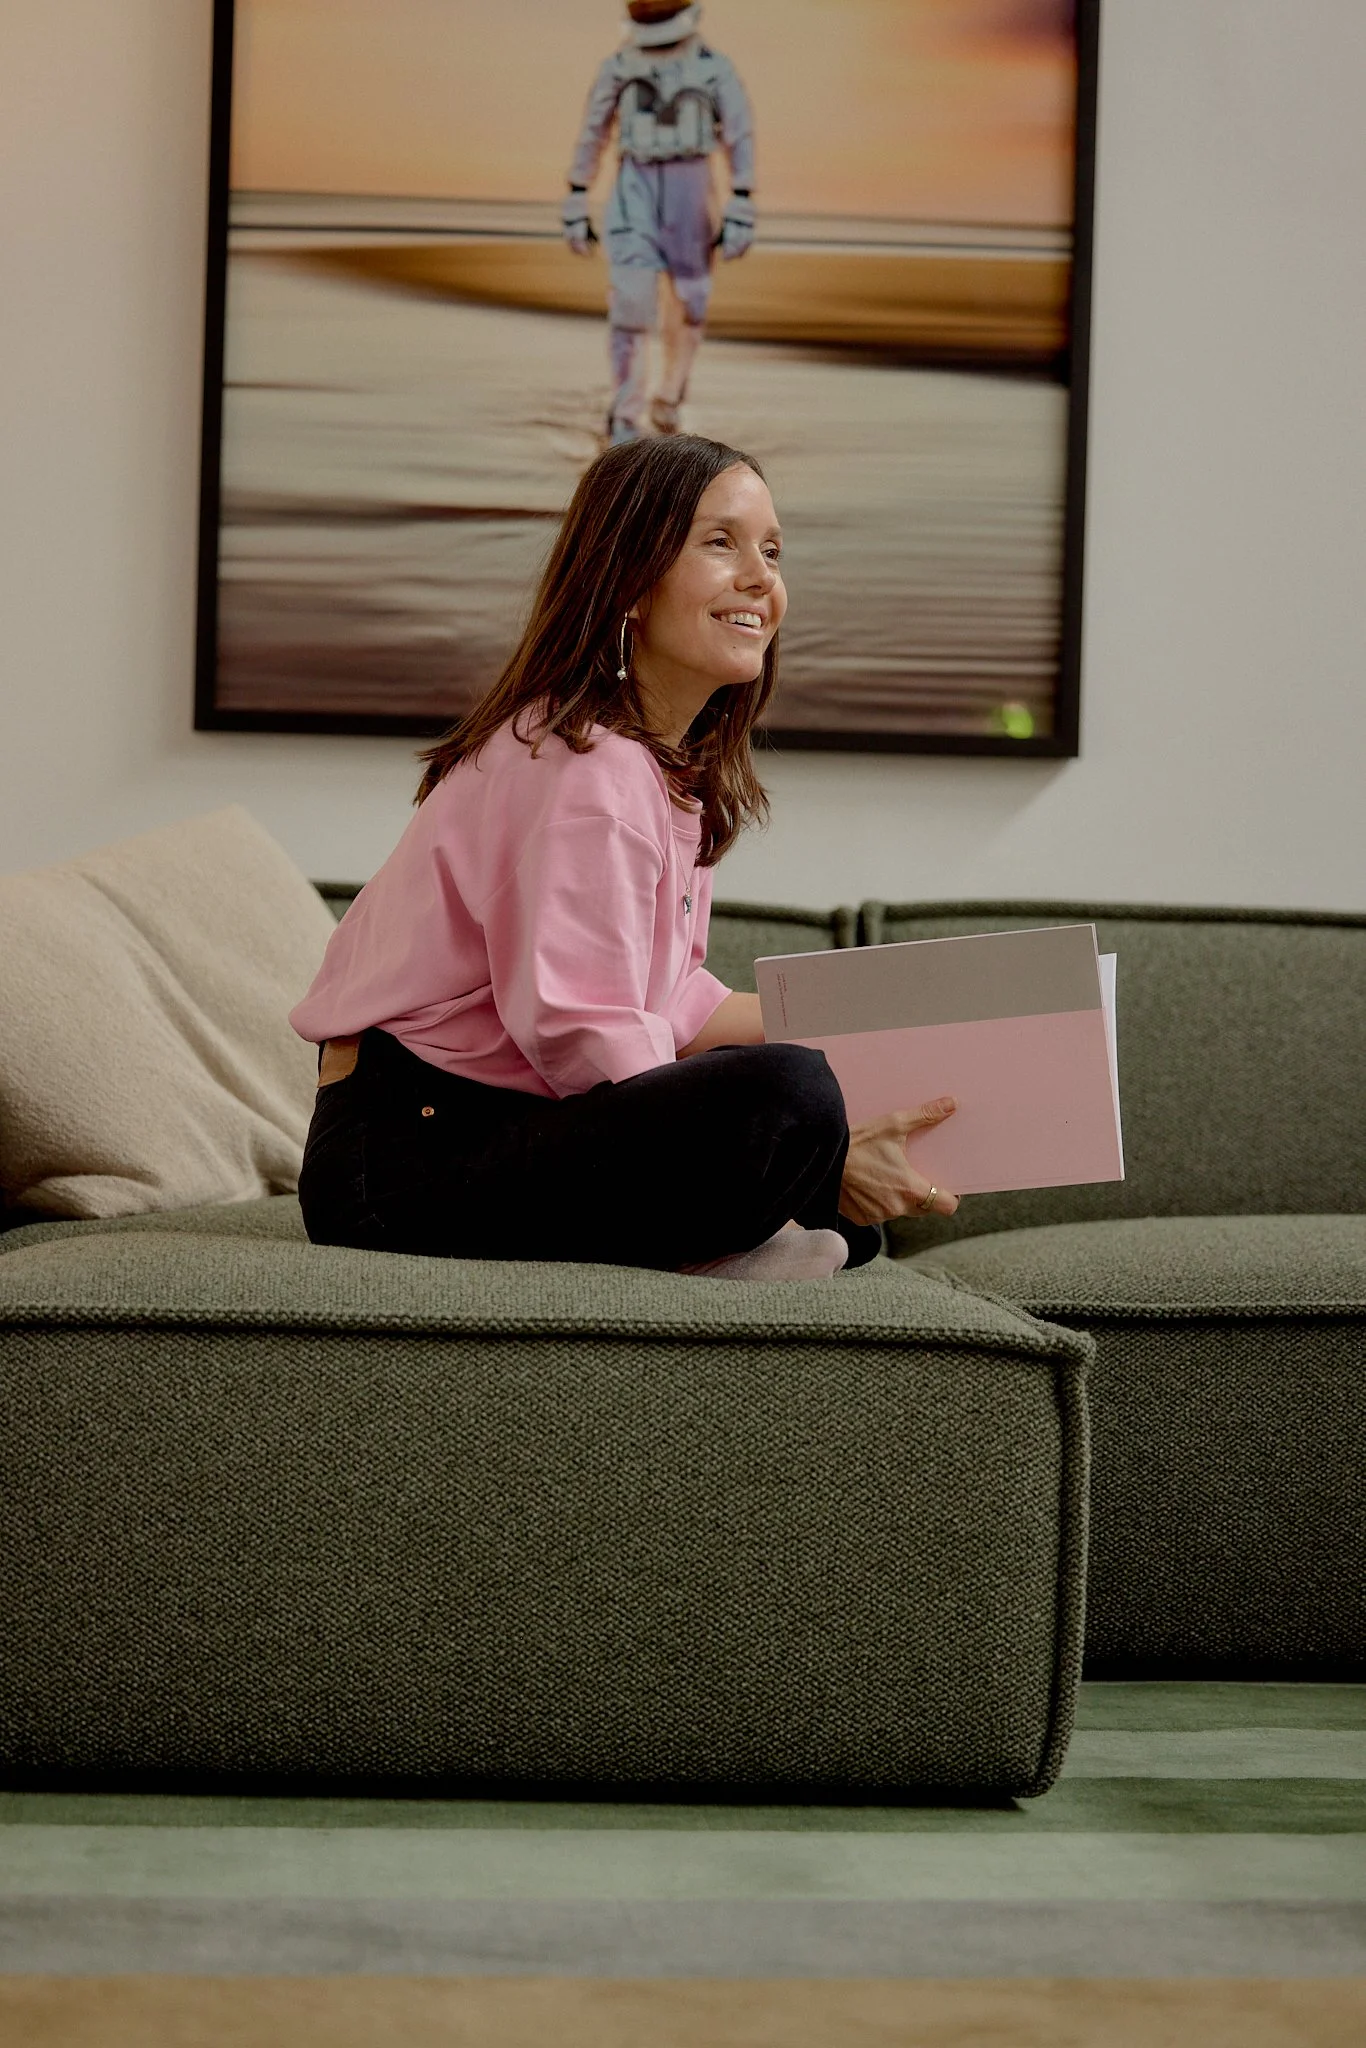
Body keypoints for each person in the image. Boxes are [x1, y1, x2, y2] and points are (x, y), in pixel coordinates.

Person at [292, 434, 959, 1280]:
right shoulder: (580, 764)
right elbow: (582, 1031)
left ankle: (723, 1239)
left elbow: (666, 998)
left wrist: (874, 1014)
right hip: (401, 1160)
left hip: (489, 1129)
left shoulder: (662, 772)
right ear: (632, 580)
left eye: (773, 551)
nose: (761, 577)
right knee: (791, 1102)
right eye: (721, 542)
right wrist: (814, 1159)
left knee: (815, 1135)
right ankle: (721, 1240)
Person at [561, 0, 756, 444]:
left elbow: (738, 133)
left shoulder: (713, 68)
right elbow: (594, 130)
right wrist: (577, 193)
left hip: (694, 186)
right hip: (635, 183)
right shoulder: (619, 66)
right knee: (630, 301)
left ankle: (669, 399)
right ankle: (626, 419)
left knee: (691, 301)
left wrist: (742, 200)